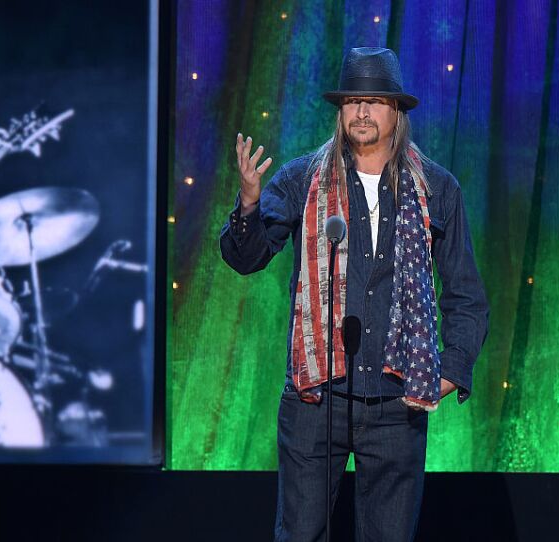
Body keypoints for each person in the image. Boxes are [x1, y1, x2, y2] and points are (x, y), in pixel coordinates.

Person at [221, 47, 488, 542]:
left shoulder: (437, 190)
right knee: (300, 535)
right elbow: (248, 257)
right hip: (315, 399)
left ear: (397, 111)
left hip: (395, 402)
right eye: (351, 102)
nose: (361, 112)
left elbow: (466, 293)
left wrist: (451, 369)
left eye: (374, 101)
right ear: (340, 112)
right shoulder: (302, 180)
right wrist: (249, 205)